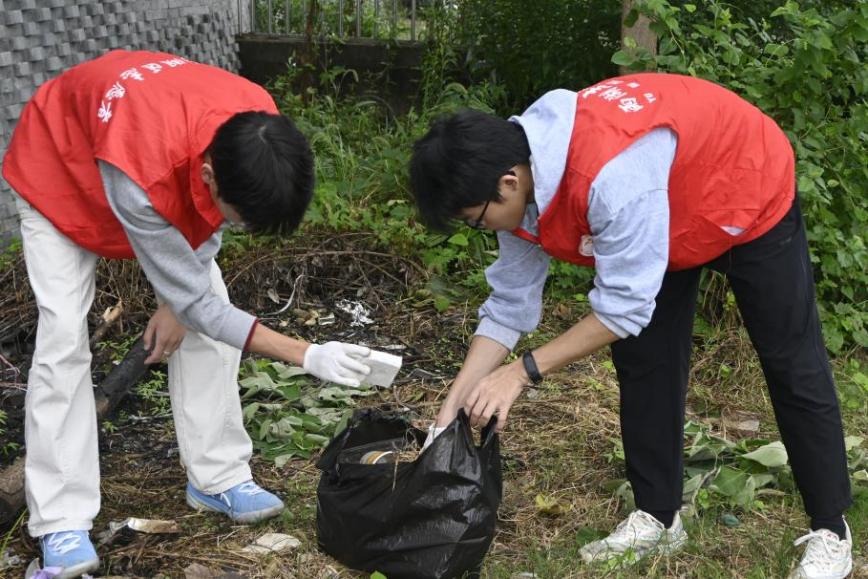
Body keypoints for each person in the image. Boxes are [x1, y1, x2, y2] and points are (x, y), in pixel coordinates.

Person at [409, 73, 853, 579]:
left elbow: (622, 309)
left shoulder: (610, 176)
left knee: (790, 358)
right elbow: (510, 305)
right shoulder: (518, 177)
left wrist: (520, 372)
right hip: (664, 202)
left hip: (742, 185)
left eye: (476, 219)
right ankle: (660, 517)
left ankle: (831, 529)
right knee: (644, 356)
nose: (480, 228)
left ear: (508, 182)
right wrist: (449, 410)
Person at [2, 49, 372, 578]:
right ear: (208, 175)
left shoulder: (256, 126)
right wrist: (306, 354)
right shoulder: (142, 175)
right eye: (239, 220)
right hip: (58, 170)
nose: (235, 229)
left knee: (207, 312)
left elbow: (205, 250)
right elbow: (198, 298)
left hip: (138, 155)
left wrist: (179, 302)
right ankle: (61, 519)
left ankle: (217, 476)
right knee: (63, 335)